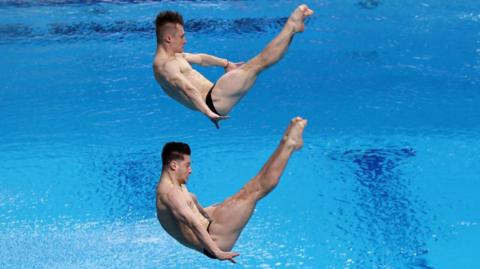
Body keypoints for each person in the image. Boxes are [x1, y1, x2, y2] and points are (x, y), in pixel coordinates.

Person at [155, 117, 307, 263]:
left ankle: (287, 142)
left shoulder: (173, 183)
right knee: (254, 190)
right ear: (174, 165)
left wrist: (204, 211)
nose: (191, 170)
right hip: (214, 239)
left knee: (248, 190)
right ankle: (289, 144)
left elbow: (190, 198)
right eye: (187, 165)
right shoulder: (171, 195)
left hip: (208, 224)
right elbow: (193, 223)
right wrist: (217, 252)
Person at [153, 5, 314, 128]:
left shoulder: (174, 56)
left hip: (214, 99)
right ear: (168, 38)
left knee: (259, 65)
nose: (185, 41)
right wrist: (208, 113)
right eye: (182, 37)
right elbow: (187, 89)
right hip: (213, 101)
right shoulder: (165, 66)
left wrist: (227, 64)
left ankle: (293, 29)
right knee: (259, 63)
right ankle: (292, 25)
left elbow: (201, 58)